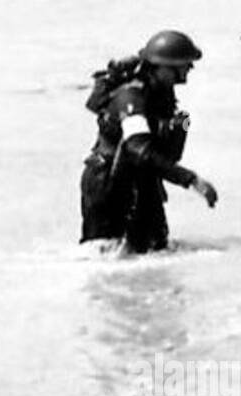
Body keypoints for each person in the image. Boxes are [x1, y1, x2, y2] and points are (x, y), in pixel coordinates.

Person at [80, 30, 218, 252]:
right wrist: (191, 180)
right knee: (105, 256)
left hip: (142, 181)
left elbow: (163, 152)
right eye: (184, 64)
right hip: (109, 185)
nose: (189, 69)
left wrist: (180, 127)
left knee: (157, 251)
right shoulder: (131, 97)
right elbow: (137, 147)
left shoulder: (162, 95)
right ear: (163, 66)